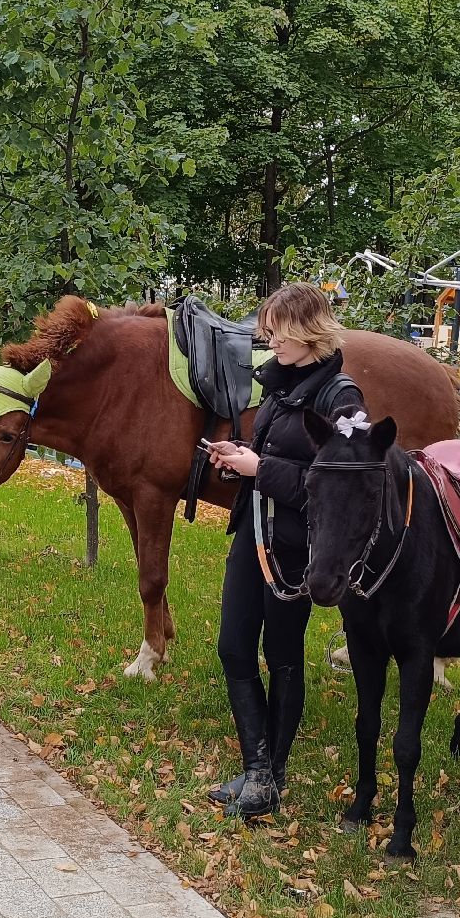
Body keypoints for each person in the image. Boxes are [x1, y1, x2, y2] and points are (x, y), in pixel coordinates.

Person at [202, 283, 365, 819]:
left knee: (283, 657)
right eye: (267, 330)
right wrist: (241, 456)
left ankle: (271, 775)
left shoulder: (341, 396)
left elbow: (340, 483)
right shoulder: (282, 383)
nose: (267, 340)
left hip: (296, 547)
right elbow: (275, 453)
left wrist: (260, 470)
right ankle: (257, 769)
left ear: (306, 331)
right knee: (233, 646)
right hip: (254, 533)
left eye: (277, 331)